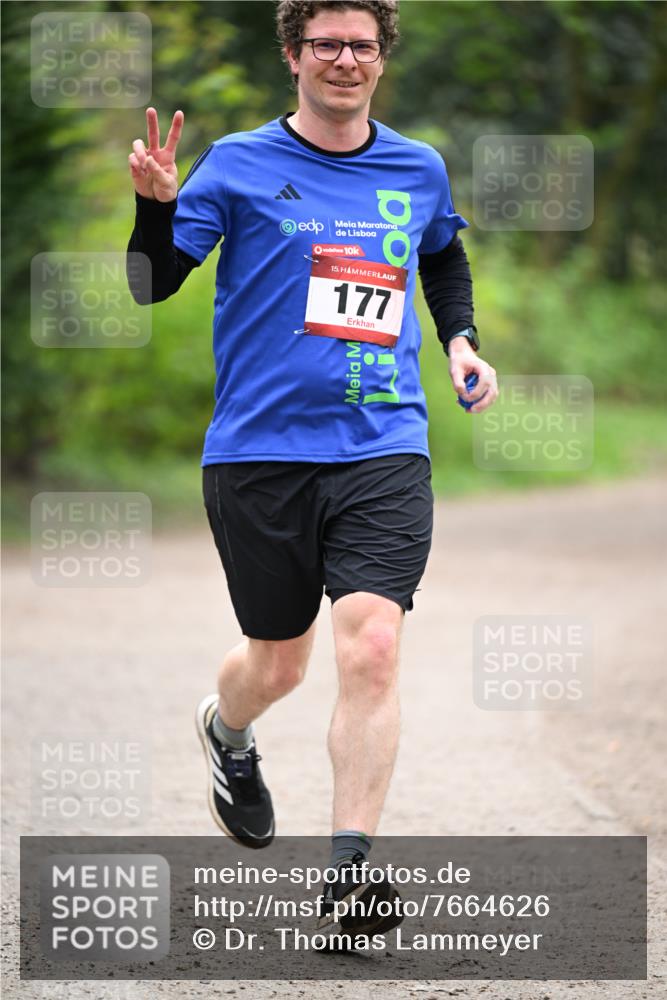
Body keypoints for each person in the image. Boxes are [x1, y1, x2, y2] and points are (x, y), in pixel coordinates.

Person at [127, 0, 497, 936]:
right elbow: (151, 282)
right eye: (326, 43)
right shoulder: (241, 164)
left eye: (360, 45)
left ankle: (350, 875)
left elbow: (442, 257)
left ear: (381, 60)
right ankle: (227, 728)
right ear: (294, 55)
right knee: (278, 662)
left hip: (382, 446)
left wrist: (459, 341)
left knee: (371, 643)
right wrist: (153, 209)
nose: (344, 58)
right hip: (257, 453)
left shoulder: (416, 167)